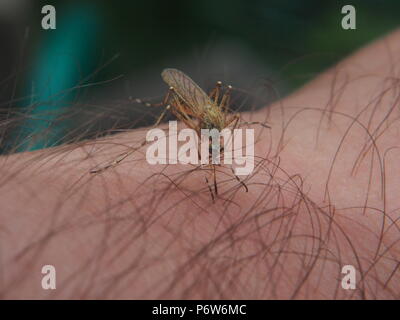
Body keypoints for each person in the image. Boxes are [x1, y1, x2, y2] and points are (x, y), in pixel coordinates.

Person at [1, 29, 399, 299]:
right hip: (200, 109)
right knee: (193, 108)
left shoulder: (222, 129)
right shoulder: (206, 124)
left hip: (213, 114)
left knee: (224, 89)